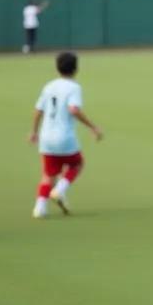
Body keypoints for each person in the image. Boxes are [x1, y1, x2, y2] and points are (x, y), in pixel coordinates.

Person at [29, 51, 103, 218]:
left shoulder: (49, 86)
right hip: (65, 138)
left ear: (57, 69)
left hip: (46, 138)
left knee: (48, 175)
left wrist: (33, 131)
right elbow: (73, 110)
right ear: (76, 69)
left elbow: (38, 109)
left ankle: (40, 208)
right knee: (77, 164)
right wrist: (93, 127)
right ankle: (60, 189)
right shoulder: (74, 87)